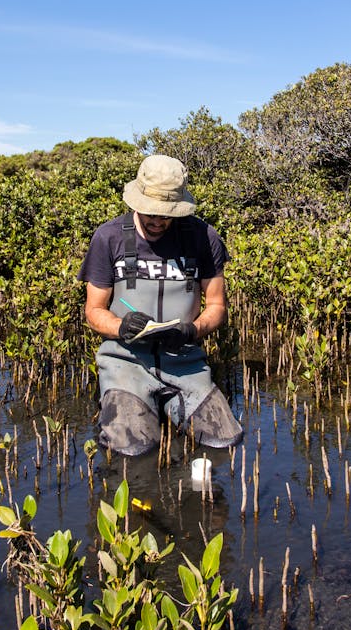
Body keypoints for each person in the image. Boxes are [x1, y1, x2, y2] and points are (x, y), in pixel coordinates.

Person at [77, 154, 244, 456]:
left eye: (166, 214)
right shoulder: (108, 237)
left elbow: (217, 305)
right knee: (132, 450)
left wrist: (192, 330)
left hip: (186, 362)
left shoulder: (205, 239)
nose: (157, 221)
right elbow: (93, 311)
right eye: (150, 212)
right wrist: (121, 326)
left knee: (224, 443)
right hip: (125, 362)